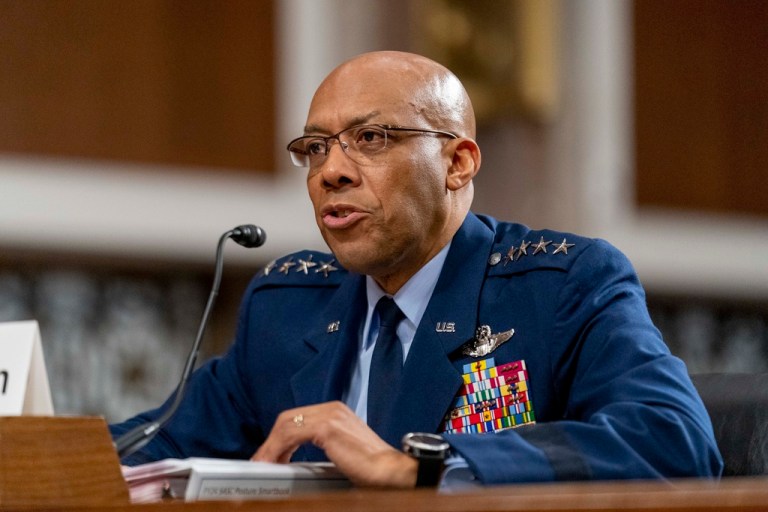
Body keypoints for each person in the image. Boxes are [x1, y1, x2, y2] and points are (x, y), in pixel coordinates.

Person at [110, 51, 723, 487]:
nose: (332, 171)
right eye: (315, 148)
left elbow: (674, 440)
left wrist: (421, 465)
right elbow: (155, 444)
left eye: (372, 138)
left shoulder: (561, 286)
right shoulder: (287, 304)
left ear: (458, 163)